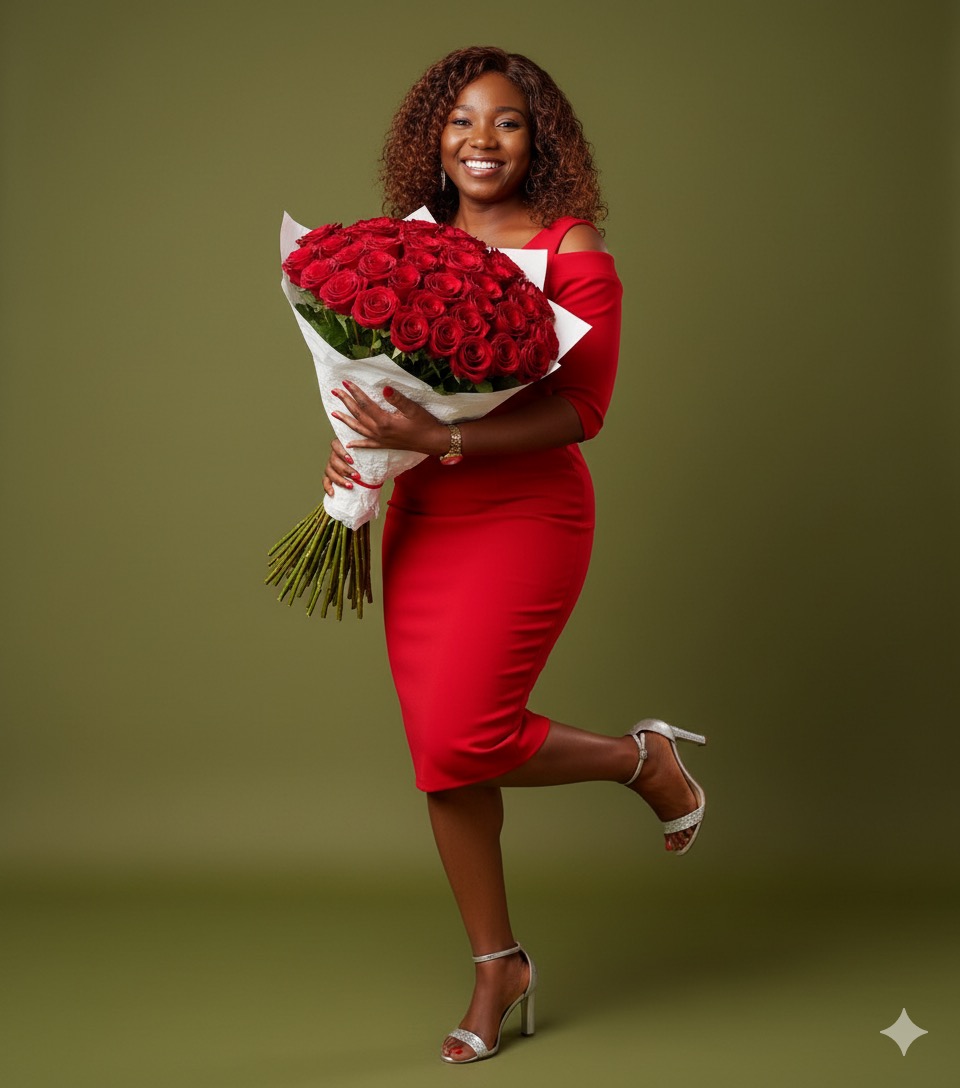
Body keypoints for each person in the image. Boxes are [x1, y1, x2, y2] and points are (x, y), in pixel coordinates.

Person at [321, 46, 708, 1065]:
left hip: (527, 513)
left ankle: (642, 760)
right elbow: (379, 384)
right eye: (459, 122)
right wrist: (362, 447)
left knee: (468, 730)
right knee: (445, 760)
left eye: (505, 123)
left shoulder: (571, 244)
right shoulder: (400, 245)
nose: (480, 142)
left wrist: (439, 437)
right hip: (422, 511)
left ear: (540, 139)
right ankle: (500, 964)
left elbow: (582, 408)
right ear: (430, 138)